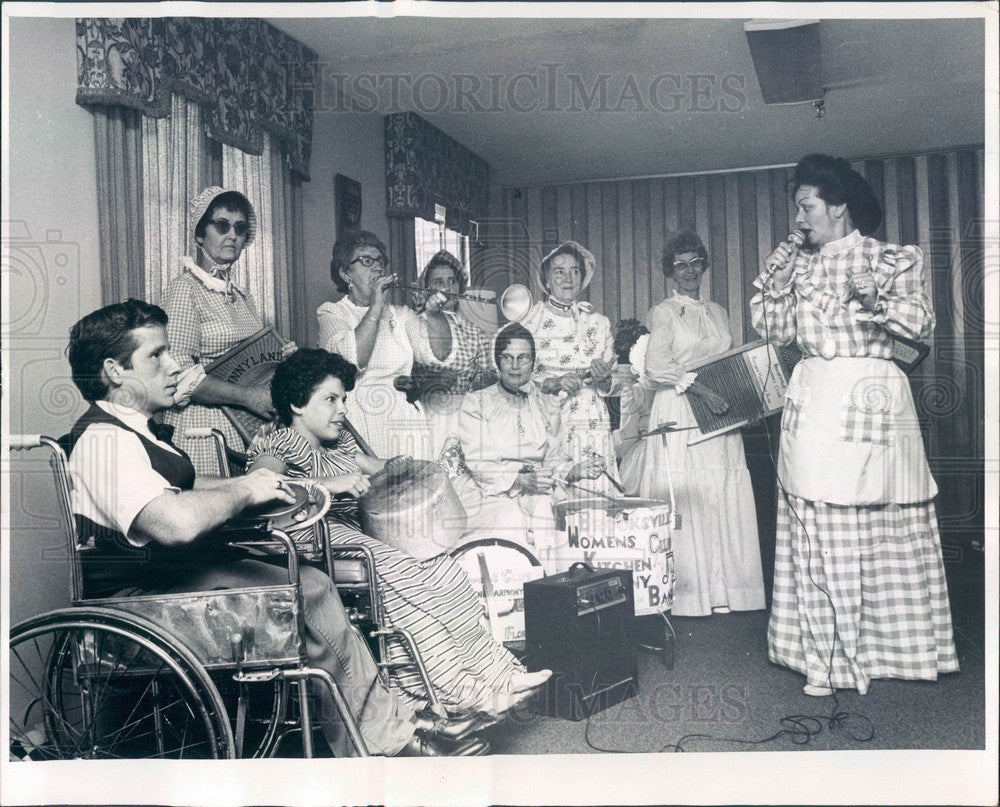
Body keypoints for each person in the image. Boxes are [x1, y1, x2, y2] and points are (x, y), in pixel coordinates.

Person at [64, 299, 484, 756]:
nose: (173, 365)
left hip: (175, 579)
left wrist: (257, 484)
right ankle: (390, 740)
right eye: (157, 355)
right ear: (114, 370)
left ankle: (392, 726)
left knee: (311, 581)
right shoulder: (102, 440)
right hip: (142, 601)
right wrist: (247, 490)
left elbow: (186, 488)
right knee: (306, 587)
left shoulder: (136, 433)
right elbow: (176, 523)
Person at [749, 153, 958, 696]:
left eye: (807, 205)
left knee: (881, 520)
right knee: (819, 523)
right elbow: (776, 331)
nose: (799, 217)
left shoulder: (891, 258)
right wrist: (774, 283)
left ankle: (895, 651)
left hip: (872, 400)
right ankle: (826, 657)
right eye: (798, 207)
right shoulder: (798, 264)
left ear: (838, 206)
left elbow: (922, 327)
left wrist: (876, 297)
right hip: (816, 397)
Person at [245, 348, 551, 715]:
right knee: (405, 571)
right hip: (311, 538)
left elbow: (380, 467)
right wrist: (330, 483)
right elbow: (260, 485)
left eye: (343, 399)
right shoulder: (279, 443)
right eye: (331, 399)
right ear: (296, 404)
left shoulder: (338, 445)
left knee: (443, 567)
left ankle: (498, 674)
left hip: (352, 533)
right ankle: (457, 690)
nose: (342, 409)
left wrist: (402, 465)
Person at [625, 232, 765, 618]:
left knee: (721, 491)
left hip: (721, 412)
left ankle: (728, 593)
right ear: (670, 273)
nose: (688, 271)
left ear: (704, 265)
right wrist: (704, 393)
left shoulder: (718, 311)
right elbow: (657, 366)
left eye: (694, 263)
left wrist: (745, 403)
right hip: (682, 407)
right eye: (679, 265)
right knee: (692, 496)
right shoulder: (664, 312)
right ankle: (689, 596)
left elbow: (730, 365)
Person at [163, 187, 295, 476]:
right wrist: (246, 396)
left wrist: (283, 359)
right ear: (200, 235)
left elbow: (252, 358)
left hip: (248, 424)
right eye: (221, 225)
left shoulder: (242, 295)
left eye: (240, 227)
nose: (232, 235)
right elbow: (179, 376)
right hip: (205, 429)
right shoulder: (185, 289)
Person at [455, 322, 606, 572]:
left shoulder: (547, 403)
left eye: (523, 358)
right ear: (498, 361)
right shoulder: (477, 402)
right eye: (508, 357)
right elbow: (479, 463)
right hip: (492, 491)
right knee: (511, 520)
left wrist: (575, 470)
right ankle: (517, 599)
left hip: (537, 489)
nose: (515, 366)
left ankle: (551, 592)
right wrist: (521, 481)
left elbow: (554, 459)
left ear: (534, 361)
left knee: (549, 512)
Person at [317, 229, 429, 459]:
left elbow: (433, 355)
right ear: (346, 274)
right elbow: (351, 361)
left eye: (380, 261)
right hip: (360, 424)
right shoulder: (332, 313)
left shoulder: (401, 315)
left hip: (402, 421)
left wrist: (433, 313)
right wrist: (377, 306)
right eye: (366, 261)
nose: (377, 267)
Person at [520, 241, 620, 493]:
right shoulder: (531, 319)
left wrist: (604, 379)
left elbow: (612, 382)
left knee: (597, 490)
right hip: (553, 417)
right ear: (547, 279)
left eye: (574, 271)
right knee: (560, 489)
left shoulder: (598, 322)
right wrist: (553, 383)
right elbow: (516, 375)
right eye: (559, 271)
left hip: (593, 418)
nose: (567, 278)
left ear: (583, 277)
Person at [401, 250, 496, 456]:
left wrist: (479, 382)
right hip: (428, 416)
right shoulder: (414, 325)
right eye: (439, 282)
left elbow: (490, 380)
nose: (447, 287)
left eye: (452, 281)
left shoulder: (474, 330)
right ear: (426, 289)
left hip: (467, 416)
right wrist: (430, 382)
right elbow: (403, 380)